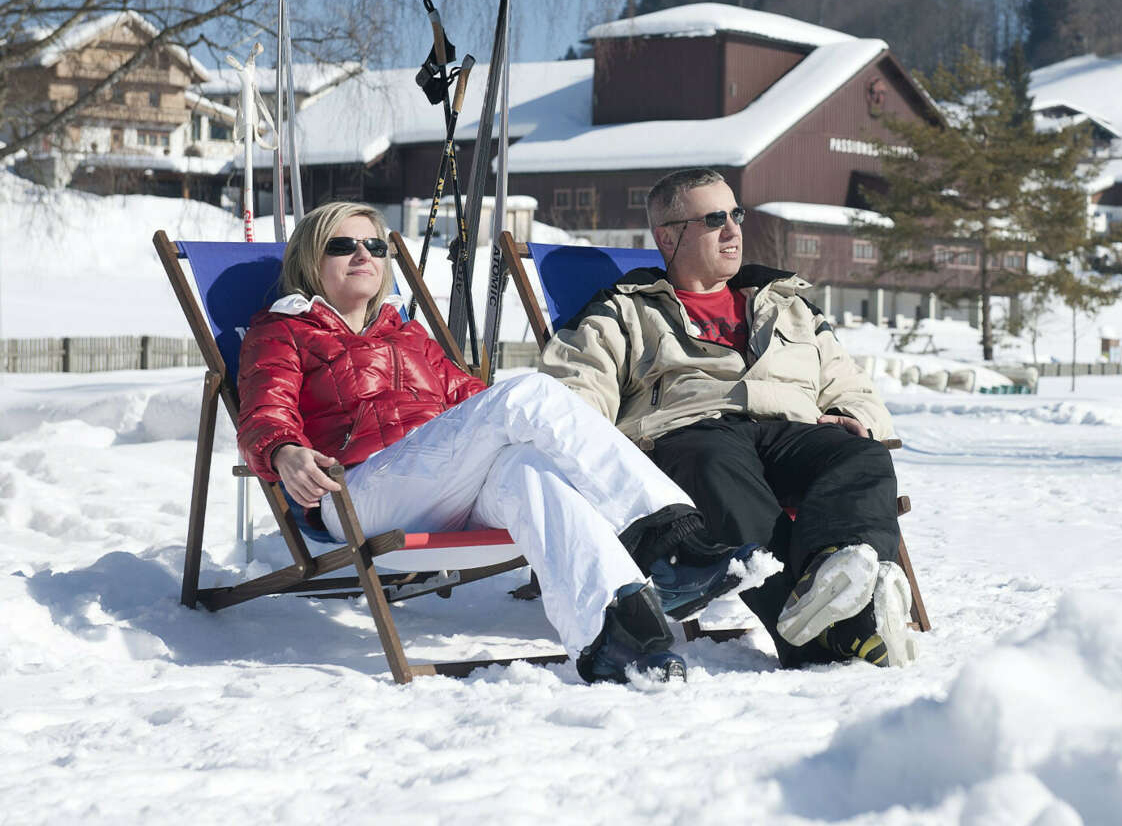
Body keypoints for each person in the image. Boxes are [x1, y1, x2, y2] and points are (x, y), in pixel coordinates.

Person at [236, 200, 770, 685]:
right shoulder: (283, 331)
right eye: (343, 245)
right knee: (529, 394)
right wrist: (283, 451)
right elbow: (264, 413)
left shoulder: (409, 334)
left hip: (440, 488)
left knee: (524, 465)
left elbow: (473, 404)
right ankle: (670, 541)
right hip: (358, 493)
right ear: (311, 258)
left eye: (375, 245)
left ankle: (614, 634)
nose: (363, 254)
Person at [539, 168, 915, 669]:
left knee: (862, 456)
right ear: (668, 236)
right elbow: (575, 394)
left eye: (735, 214)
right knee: (718, 466)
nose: (734, 230)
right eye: (714, 219)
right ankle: (842, 628)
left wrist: (849, 415)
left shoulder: (790, 305)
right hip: (693, 434)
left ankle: (837, 573)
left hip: (793, 432)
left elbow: (852, 386)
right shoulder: (624, 310)